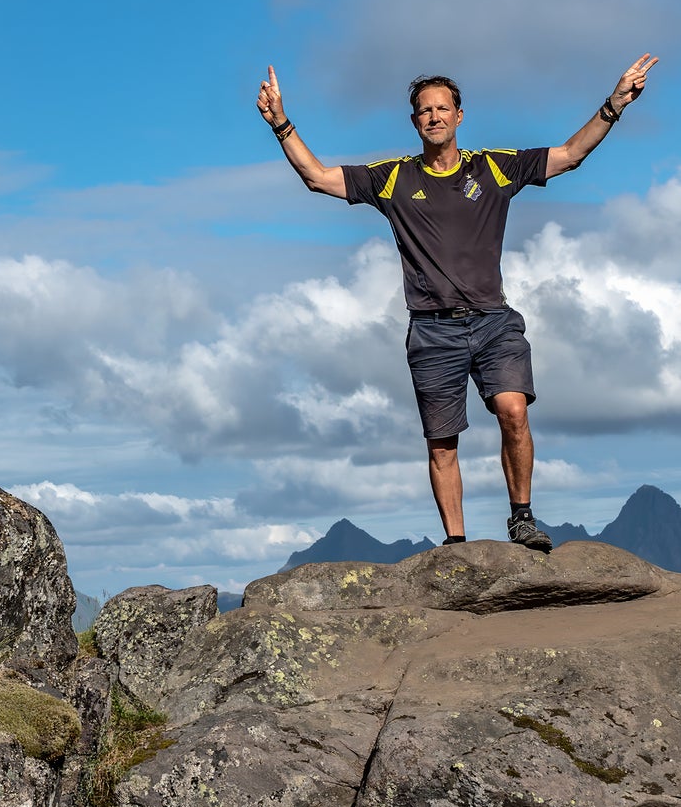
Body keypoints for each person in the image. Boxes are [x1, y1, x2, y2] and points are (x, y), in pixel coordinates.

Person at [256, 55, 657, 550]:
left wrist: (615, 104)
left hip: (494, 322)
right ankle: (457, 545)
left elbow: (570, 153)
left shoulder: (494, 168)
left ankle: (522, 518)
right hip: (431, 329)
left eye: (443, 108)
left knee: (513, 409)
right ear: (414, 121)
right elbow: (318, 177)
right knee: (443, 443)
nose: (434, 117)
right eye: (425, 110)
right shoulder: (393, 178)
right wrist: (280, 123)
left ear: (459, 115)